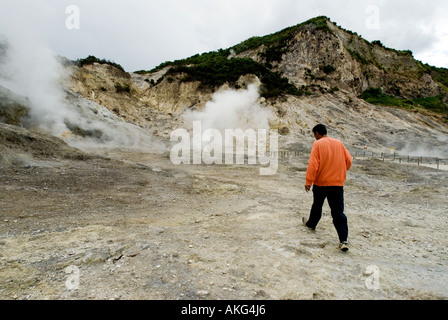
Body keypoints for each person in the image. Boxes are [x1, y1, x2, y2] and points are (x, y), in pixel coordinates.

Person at [303, 124, 353, 252]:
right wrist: (340, 171)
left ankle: (311, 225)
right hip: (337, 184)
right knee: (338, 212)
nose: (315, 137)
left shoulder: (318, 144)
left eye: (314, 135)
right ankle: (343, 240)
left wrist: (309, 181)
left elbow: (313, 164)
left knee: (317, 205)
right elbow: (349, 160)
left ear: (317, 133)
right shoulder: (338, 143)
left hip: (321, 183)